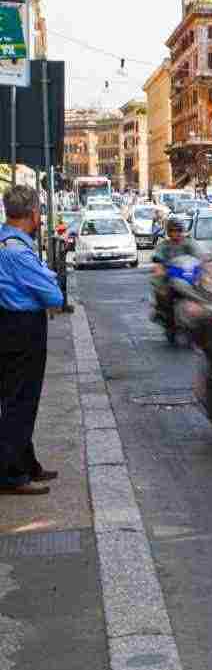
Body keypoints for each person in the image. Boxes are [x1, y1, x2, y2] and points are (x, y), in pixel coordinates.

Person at [0, 186, 65, 496]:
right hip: (22, 329)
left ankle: (26, 463)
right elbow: (53, 295)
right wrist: (47, 278)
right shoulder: (17, 250)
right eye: (39, 211)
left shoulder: (5, 241)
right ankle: (11, 474)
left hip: (11, 325)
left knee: (16, 397)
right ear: (32, 214)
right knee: (21, 401)